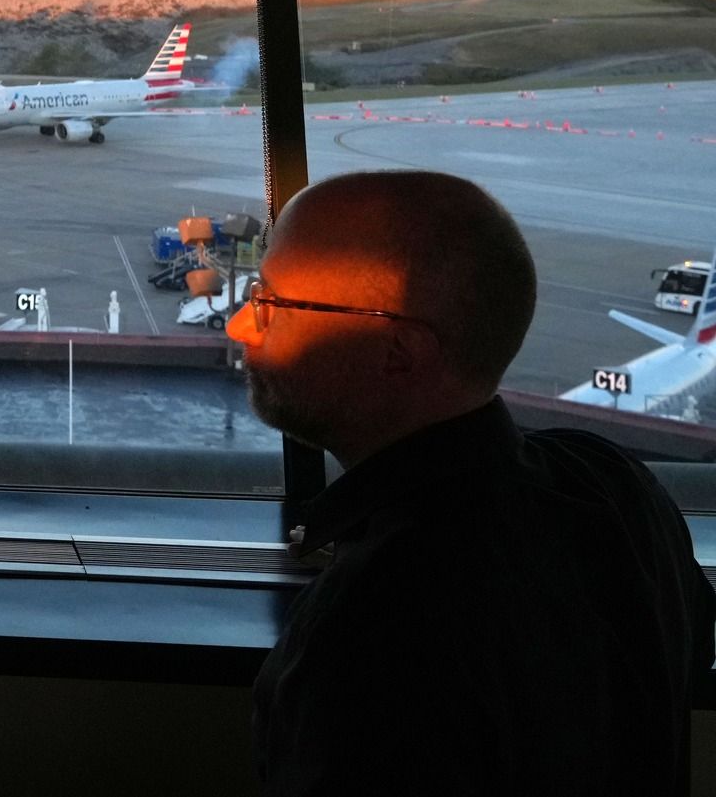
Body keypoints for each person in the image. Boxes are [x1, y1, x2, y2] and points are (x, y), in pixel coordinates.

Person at [231, 170, 714, 796]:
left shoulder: (374, 631)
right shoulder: (620, 487)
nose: (241, 326)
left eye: (271, 302)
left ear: (400, 352)